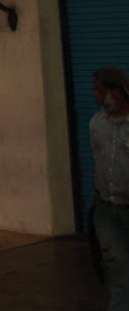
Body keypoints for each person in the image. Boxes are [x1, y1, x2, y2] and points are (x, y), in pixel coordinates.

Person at [90, 66, 129, 310]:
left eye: (99, 90)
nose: (95, 96)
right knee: (115, 265)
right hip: (108, 208)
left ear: (117, 92)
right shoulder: (96, 124)